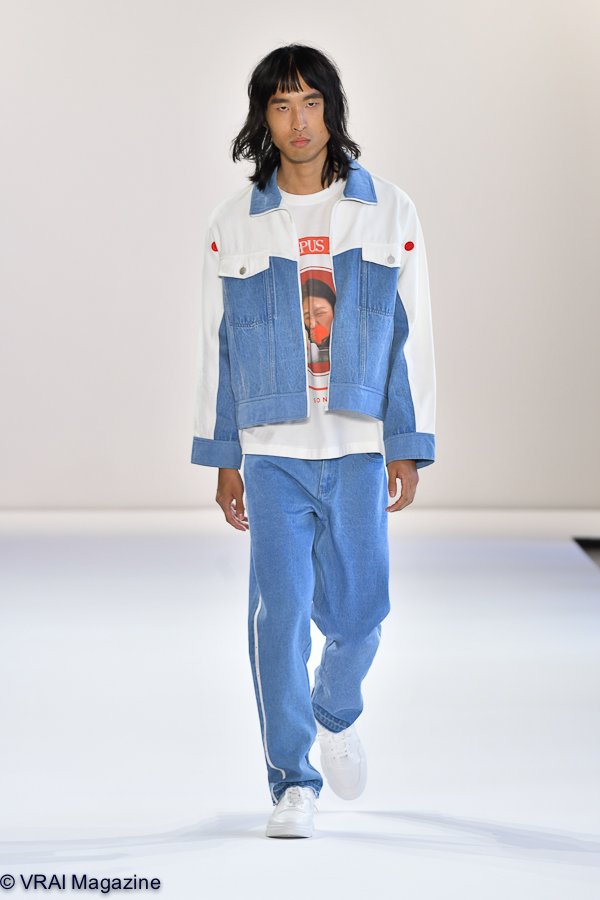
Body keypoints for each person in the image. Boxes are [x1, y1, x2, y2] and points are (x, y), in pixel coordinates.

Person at [191, 44, 435, 839]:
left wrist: (407, 439)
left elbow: (411, 337)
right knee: (281, 617)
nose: (297, 121)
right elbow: (218, 347)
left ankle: (335, 706)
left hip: (358, 445)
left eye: (310, 102)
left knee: (362, 613)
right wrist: (223, 455)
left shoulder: (389, 210)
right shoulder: (234, 223)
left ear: (331, 109)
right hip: (272, 452)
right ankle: (293, 782)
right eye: (280, 105)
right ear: (263, 118)